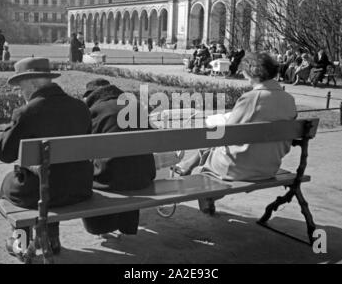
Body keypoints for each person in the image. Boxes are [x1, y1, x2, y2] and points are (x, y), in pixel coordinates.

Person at [0, 57, 93, 257]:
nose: (21, 93)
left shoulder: (27, 112)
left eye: (21, 88)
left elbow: (4, 153)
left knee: (9, 183)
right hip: (80, 188)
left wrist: (14, 120)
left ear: (32, 83)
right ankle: (51, 238)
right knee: (56, 174)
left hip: (46, 193)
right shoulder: (80, 107)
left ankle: (20, 243)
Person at [177, 52, 297, 194]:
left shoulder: (252, 98)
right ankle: (188, 165)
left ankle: (196, 178)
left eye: (244, 72)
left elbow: (226, 134)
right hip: (269, 166)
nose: (244, 76)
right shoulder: (289, 99)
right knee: (217, 139)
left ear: (251, 72)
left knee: (215, 136)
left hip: (240, 167)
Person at [81, 79, 156, 236]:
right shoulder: (134, 105)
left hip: (109, 180)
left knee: (109, 169)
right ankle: (126, 225)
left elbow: (83, 149)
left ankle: (100, 227)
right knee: (130, 164)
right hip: (143, 178)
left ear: (90, 95)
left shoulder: (93, 110)